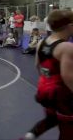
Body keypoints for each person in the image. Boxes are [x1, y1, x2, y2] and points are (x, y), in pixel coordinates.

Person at [21, 9, 73, 140]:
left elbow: (38, 66)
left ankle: (29, 136)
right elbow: (69, 78)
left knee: (52, 119)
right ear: (70, 26)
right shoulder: (66, 47)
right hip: (61, 96)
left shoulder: (41, 43)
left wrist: (48, 81)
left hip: (44, 91)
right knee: (68, 128)